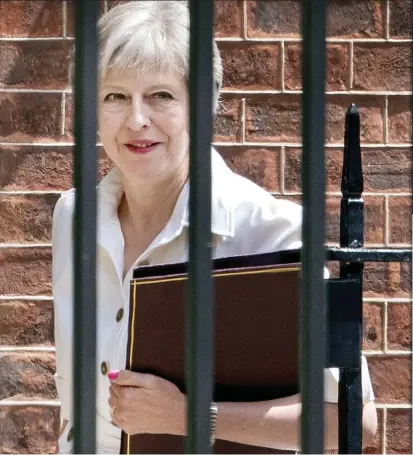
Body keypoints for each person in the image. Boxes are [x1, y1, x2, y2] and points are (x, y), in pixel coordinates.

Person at [52, 1, 377, 453]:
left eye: (161, 95)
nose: (137, 119)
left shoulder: (269, 235)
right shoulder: (73, 219)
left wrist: (190, 416)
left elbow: (353, 422)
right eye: (115, 96)